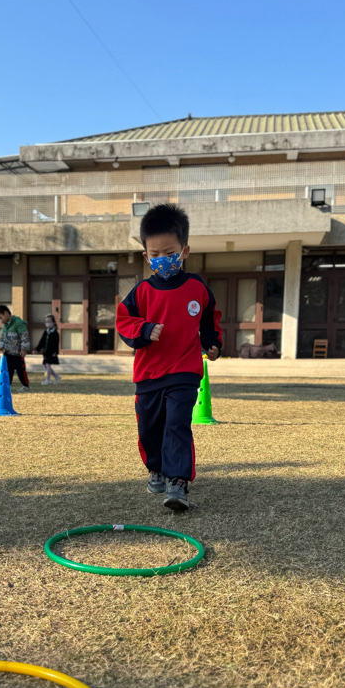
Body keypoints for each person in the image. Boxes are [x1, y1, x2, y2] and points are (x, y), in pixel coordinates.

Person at [115, 203, 222, 511]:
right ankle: (156, 469)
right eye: (155, 254)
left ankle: (177, 481)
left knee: (177, 423)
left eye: (169, 252)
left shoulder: (196, 287)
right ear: (146, 256)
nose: (162, 258)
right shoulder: (141, 292)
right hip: (149, 374)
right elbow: (123, 320)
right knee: (149, 428)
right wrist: (144, 329)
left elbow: (209, 318)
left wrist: (213, 342)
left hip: (184, 371)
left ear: (184, 251)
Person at [0, 305, 31, 391]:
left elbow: (24, 336)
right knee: (8, 371)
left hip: (18, 354)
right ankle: (8, 387)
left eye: (1, 317)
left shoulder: (18, 323)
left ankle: (26, 386)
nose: (1, 320)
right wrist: (2, 347)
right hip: (7, 353)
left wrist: (24, 348)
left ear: (6, 313)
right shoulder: (4, 326)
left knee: (21, 370)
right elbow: (2, 337)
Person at [35, 313, 61, 385]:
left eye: (49, 322)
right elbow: (42, 341)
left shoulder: (55, 333)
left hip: (51, 352)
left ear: (53, 323)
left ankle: (48, 379)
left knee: (48, 364)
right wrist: (37, 349)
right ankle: (56, 376)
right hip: (45, 351)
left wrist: (55, 352)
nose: (47, 323)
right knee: (45, 365)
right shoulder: (46, 332)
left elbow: (56, 343)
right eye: (46, 322)